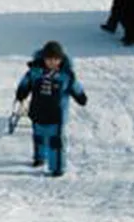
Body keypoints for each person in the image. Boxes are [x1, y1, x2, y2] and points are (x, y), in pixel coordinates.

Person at [15, 41, 87, 178]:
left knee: (55, 141)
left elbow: (75, 87)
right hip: (38, 111)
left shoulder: (66, 75)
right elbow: (25, 83)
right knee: (39, 137)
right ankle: (39, 157)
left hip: (57, 115)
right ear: (43, 58)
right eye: (49, 59)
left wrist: (80, 96)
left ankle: (57, 167)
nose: (52, 62)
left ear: (61, 59)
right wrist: (21, 92)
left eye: (56, 59)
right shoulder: (35, 72)